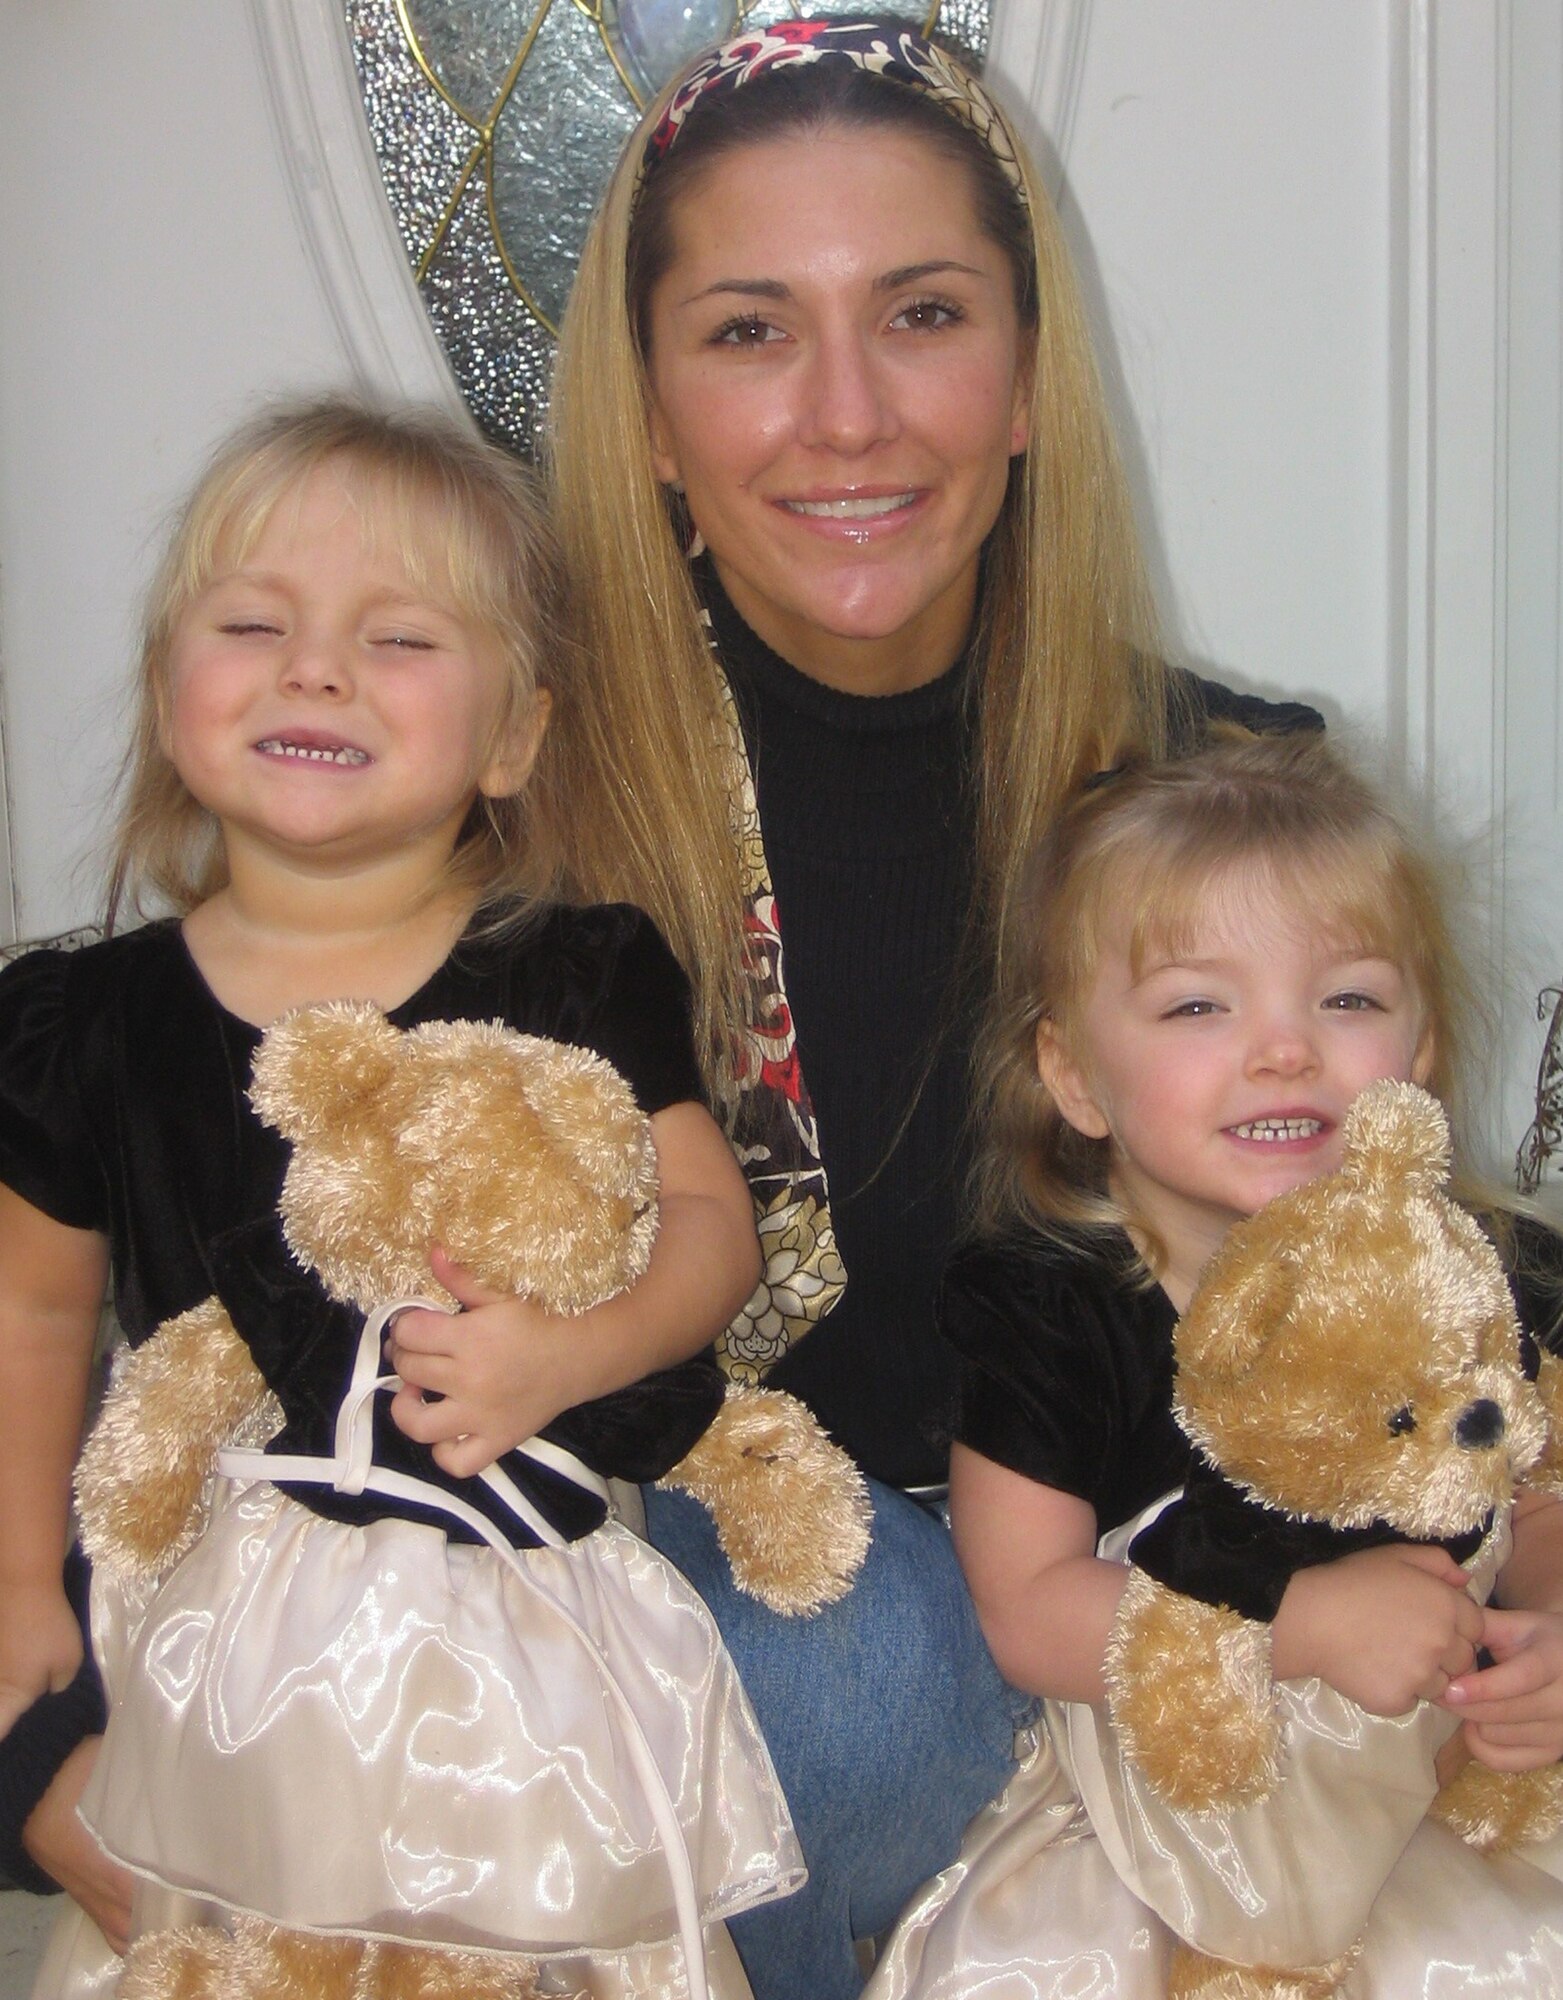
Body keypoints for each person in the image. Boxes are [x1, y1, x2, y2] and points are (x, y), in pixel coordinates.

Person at [547, 21, 1320, 2000]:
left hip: (1125, 1599)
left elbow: (1393, 1297)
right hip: (723, 1622)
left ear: (1029, 374)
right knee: (859, 1671)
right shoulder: (499, 780)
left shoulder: (1225, 797)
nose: (844, 416)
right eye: (744, 331)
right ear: (642, 407)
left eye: (919, 313)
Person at [0, 398, 798, 2000]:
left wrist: (580, 1353)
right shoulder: (81, 1023)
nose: (314, 669)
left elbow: (713, 1227)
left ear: (512, 738)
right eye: (252, 625)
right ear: (172, 696)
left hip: (515, 1628)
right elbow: (31, 1313)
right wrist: (22, 1586)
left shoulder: (578, 971)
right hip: (214, 1629)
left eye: (397, 639)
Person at [862, 729, 1563, 1996]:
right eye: (1199, 1004)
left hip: (1438, 1795)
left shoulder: (1485, 1272)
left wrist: (1546, 1627)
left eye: (1348, 998)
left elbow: (1545, 1496)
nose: (1287, 1048)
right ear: (1075, 1076)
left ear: (1420, 1050)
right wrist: (1301, 1621)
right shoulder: (1051, 1305)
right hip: (1164, 1832)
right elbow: (1028, 1608)